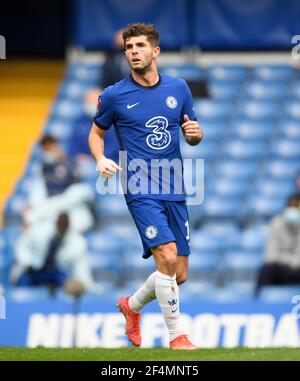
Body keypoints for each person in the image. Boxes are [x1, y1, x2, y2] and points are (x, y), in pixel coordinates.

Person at [89, 23, 203, 350]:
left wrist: (195, 136)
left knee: (178, 274)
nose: (133, 52)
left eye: (140, 46)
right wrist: (100, 159)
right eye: (128, 47)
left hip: (175, 186)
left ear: (155, 51)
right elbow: (96, 134)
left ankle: (132, 305)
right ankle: (178, 336)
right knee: (165, 257)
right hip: (140, 185)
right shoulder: (114, 95)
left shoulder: (179, 88)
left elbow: (192, 133)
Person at [10, 213, 100, 294]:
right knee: (24, 284)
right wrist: (27, 262)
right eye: (60, 221)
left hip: (56, 273)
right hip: (32, 271)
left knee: (68, 286)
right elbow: (22, 247)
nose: (62, 224)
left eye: (65, 222)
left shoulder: (78, 242)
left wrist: (88, 286)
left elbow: (81, 269)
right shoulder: (38, 231)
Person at [256, 194, 300, 294]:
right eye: (290, 207)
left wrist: (285, 259)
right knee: (266, 270)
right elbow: (270, 256)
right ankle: (257, 302)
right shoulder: (276, 223)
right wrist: (290, 260)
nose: (292, 210)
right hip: (281, 269)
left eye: (296, 206)